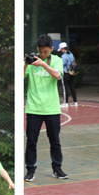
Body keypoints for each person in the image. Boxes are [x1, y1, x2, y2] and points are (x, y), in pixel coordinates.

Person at [24, 34, 67, 182]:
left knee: (55, 141)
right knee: (31, 142)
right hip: (33, 109)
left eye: (45, 52)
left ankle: (57, 168)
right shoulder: (31, 62)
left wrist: (43, 64)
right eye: (40, 51)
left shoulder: (57, 60)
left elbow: (58, 76)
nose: (42, 54)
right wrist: (26, 64)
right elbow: (20, 78)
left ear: (52, 49)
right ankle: (30, 170)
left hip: (52, 109)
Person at [59, 42, 78, 107]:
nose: (60, 51)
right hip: (72, 73)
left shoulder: (63, 56)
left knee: (65, 88)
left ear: (63, 48)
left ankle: (66, 103)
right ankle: (75, 102)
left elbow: (62, 64)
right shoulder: (71, 54)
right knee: (72, 86)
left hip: (66, 73)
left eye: (61, 49)